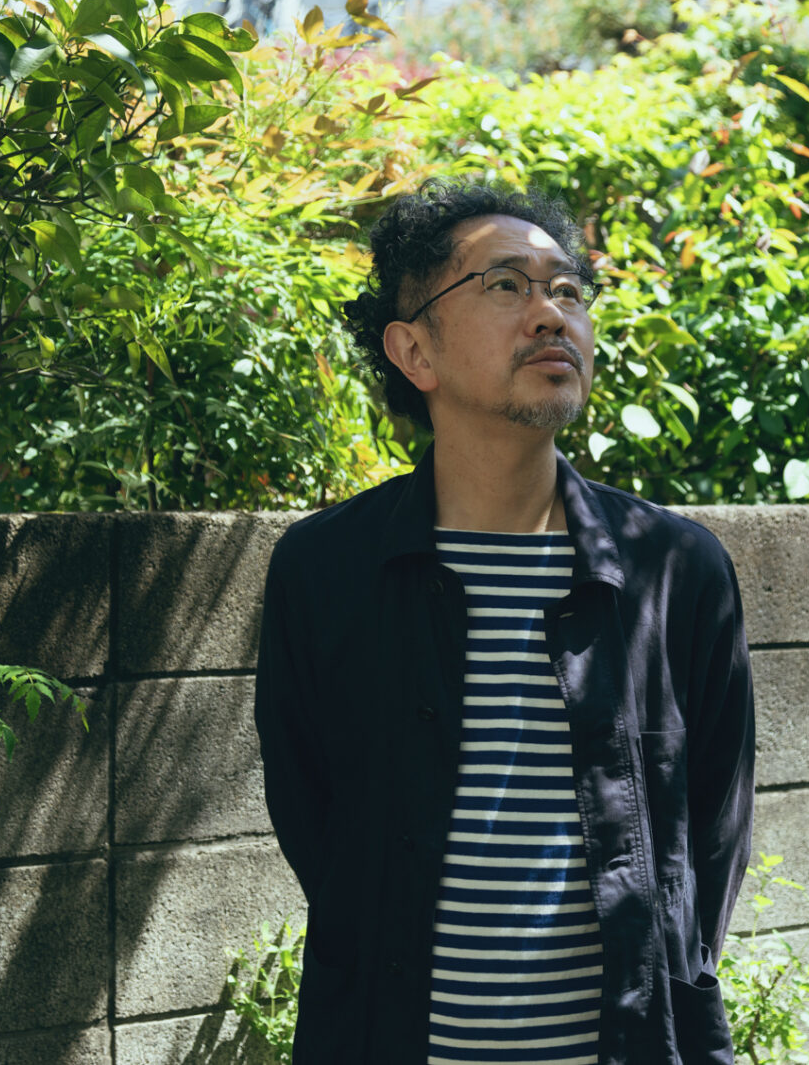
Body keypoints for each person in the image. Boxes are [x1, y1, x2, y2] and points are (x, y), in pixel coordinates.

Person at [254, 178, 756, 1065]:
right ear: (415, 349)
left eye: (567, 289)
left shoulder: (676, 569)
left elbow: (712, 830)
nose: (551, 312)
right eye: (505, 285)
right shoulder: (327, 571)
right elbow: (316, 819)